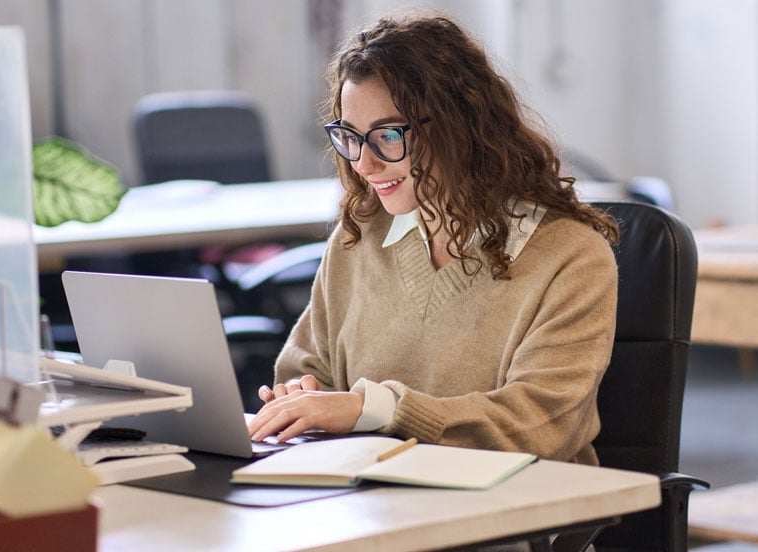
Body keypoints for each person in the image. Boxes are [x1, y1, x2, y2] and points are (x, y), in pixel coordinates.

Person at [247, 11, 619, 465]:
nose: (364, 164)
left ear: (459, 124)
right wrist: (303, 398)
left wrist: (372, 409)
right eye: (350, 137)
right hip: (366, 504)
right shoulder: (358, 239)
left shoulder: (570, 257)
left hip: (511, 516)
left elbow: (541, 424)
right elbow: (307, 370)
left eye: (387, 135)